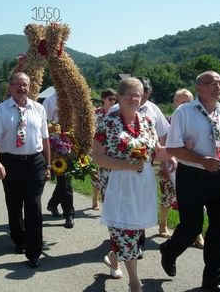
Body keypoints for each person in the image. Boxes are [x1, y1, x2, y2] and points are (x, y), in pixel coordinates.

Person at [160, 71, 220, 292]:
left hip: (219, 177)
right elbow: (172, 148)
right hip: (191, 175)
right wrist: (201, 160)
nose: (217, 87)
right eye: (211, 83)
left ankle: (213, 281)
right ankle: (169, 250)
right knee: (191, 227)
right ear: (199, 88)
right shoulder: (184, 112)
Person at [92, 77, 168, 292]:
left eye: (138, 94)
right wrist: (125, 165)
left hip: (141, 184)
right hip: (116, 184)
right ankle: (135, 283)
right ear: (119, 97)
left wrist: (182, 148)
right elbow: (97, 157)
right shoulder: (108, 122)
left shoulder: (147, 121)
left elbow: (157, 152)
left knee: (132, 230)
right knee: (125, 232)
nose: (134, 98)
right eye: (129, 94)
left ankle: (114, 256)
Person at [0, 72, 51, 268]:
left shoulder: (38, 108)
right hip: (10, 163)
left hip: (35, 163)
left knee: (33, 204)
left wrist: (48, 165)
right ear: (10, 87)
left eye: (25, 85)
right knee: (14, 204)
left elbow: (45, 139)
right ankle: (18, 239)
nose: (22, 88)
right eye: (18, 85)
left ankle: (34, 251)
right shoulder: (0, 111)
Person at [158, 88, 205, 248]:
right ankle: (163, 223)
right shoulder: (169, 121)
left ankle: (196, 234)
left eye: (189, 101)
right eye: (182, 101)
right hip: (171, 165)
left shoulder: (198, 119)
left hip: (192, 166)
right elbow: (164, 144)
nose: (186, 104)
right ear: (175, 103)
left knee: (193, 201)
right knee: (168, 197)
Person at [43, 91, 75, 228]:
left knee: (64, 180)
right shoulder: (50, 101)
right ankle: (69, 215)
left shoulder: (74, 99)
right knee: (65, 181)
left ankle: (53, 203)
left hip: (73, 145)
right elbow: (45, 125)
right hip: (57, 147)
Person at [91, 89, 117, 210]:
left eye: (114, 99)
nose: (113, 101)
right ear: (103, 99)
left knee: (106, 176)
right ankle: (95, 199)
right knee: (96, 175)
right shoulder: (96, 114)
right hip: (96, 148)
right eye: (110, 99)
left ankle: (105, 201)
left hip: (110, 150)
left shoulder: (116, 114)